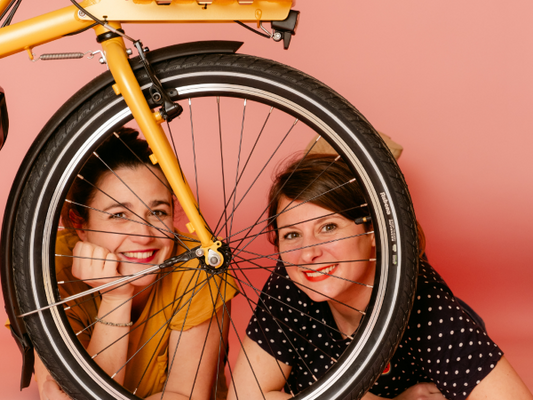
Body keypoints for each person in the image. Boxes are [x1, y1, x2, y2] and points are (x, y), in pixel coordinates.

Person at [228, 152, 533, 400]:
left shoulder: (425, 307)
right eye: (292, 234)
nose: (308, 253)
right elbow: (245, 396)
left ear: (372, 230)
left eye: (328, 227)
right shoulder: (291, 278)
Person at [35, 128, 237, 400]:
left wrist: (116, 293)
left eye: (157, 212)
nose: (143, 236)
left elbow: (184, 395)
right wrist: (116, 298)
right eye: (119, 215)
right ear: (80, 224)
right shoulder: (44, 273)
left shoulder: (200, 265)